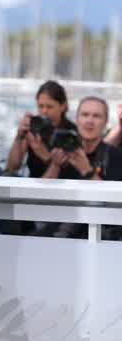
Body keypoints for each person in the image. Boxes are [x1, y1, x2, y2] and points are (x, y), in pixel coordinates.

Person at [39, 96, 122, 238]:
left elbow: (112, 206)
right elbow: (38, 195)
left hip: (96, 233)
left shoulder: (115, 156)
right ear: (77, 119)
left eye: (96, 116)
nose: (89, 121)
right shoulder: (62, 150)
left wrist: (87, 170)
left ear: (105, 122)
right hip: (56, 228)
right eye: (85, 115)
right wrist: (55, 165)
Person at [6, 80, 77, 177]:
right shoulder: (34, 127)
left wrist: (45, 156)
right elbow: (12, 167)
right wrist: (19, 136)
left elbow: (70, 173)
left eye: (49, 107)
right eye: (40, 106)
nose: (44, 111)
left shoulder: (71, 132)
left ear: (63, 106)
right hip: (33, 183)